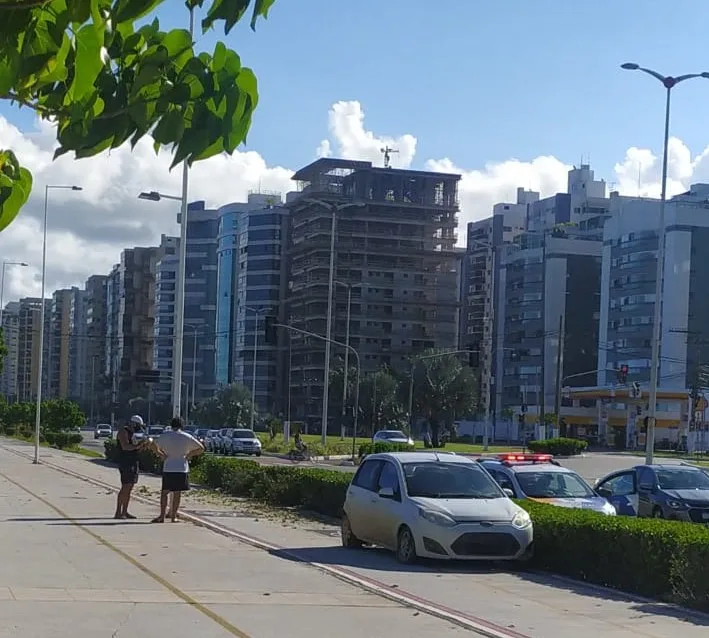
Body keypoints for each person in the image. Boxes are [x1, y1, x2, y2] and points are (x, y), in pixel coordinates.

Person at [152, 417, 204, 523]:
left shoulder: (165, 436)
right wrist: (189, 455)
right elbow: (201, 448)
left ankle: (162, 516)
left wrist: (161, 455)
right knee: (177, 493)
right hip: (181, 467)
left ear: (171, 425)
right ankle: (173, 516)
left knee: (164, 492)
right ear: (182, 425)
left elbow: (153, 444)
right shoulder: (186, 437)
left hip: (168, 467)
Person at [115, 415, 147, 519]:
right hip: (125, 462)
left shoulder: (134, 434)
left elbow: (136, 450)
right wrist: (137, 446)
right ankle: (118, 512)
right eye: (137, 425)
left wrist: (143, 445)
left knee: (130, 488)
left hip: (133, 462)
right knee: (125, 487)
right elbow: (125, 447)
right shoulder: (123, 432)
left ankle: (125, 511)